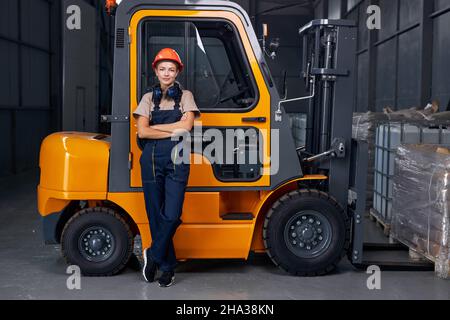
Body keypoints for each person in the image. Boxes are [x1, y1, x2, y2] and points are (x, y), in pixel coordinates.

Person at [133, 48, 200, 287]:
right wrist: (173, 126)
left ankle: (153, 255)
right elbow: (142, 131)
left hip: (178, 158)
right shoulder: (148, 98)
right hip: (151, 159)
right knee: (156, 216)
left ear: (177, 71)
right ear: (155, 70)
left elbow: (187, 127)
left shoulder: (186, 96)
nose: (166, 73)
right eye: (162, 69)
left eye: (171, 69)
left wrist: (156, 128)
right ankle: (168, 267)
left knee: (171, 216)